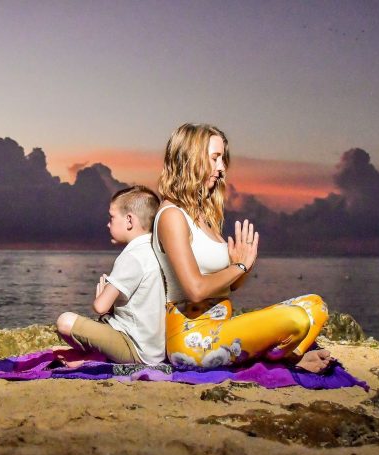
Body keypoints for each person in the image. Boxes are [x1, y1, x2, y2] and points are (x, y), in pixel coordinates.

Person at [152, 123, 333, 373]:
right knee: (296, 320)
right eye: (215, 158)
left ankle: (283, 356)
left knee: (315, 305)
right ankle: (288, 360)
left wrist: (244, 265)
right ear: (190, 159)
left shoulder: (205, 216)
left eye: (222, 159)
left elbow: (232, 285)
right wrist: (239, 265)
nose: (222, 168)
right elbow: (195, 290)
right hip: (191, 340)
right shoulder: (172, 215)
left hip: (221, 326)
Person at [56, 185, 166, 365]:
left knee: (65, 321)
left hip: (135, 348)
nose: (108, 224)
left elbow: (100, 307)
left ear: (129, 220)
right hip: (156, 349)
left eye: (112, 217)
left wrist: (103, 298)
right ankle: (91, 357)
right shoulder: (157, 250)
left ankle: (93, 358)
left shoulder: (132, 256)